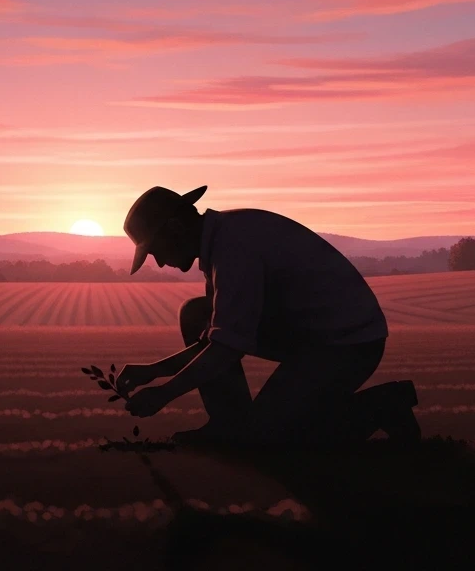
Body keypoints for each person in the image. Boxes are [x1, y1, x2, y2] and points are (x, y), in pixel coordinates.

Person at [115, 184, 420, 449]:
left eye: (155, 250)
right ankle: (228, 425)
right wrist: (155, 371)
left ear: (176, 230)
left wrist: (164, 394)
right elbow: (219, 337)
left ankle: (384, 405)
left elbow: (226, 347)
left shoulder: (232, 249)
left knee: (272, 437)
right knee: (198, 313)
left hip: (346, 345)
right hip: (309, 336)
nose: (159, 261)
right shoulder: (223, 239)